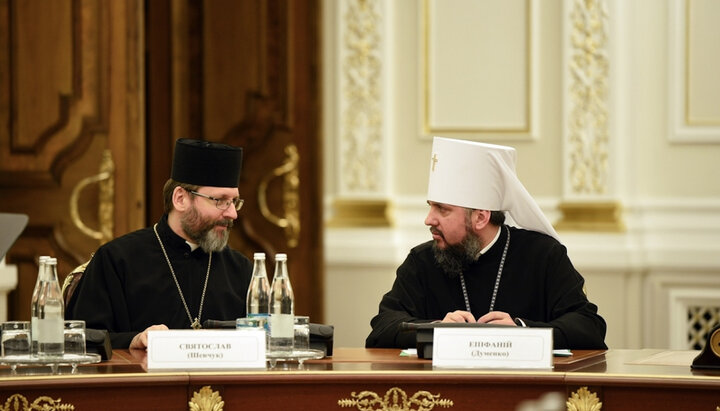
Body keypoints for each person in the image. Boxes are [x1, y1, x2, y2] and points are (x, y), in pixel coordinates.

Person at [366, 137, 607, 350]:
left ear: (480, 217)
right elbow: (382, 327)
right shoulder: (422, 261)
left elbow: (589, 326)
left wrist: (521, 330)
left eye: (442, 209)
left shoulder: (543, 256)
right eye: (430, 206)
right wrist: (435, 329)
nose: (429, 219)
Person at [67, 138, 253, 349]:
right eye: (220, 200)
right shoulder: (117, 260)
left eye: (234, 201)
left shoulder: (241, 270)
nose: (232, 213)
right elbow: (78, 340)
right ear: (180, 199)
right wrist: (134, 340)